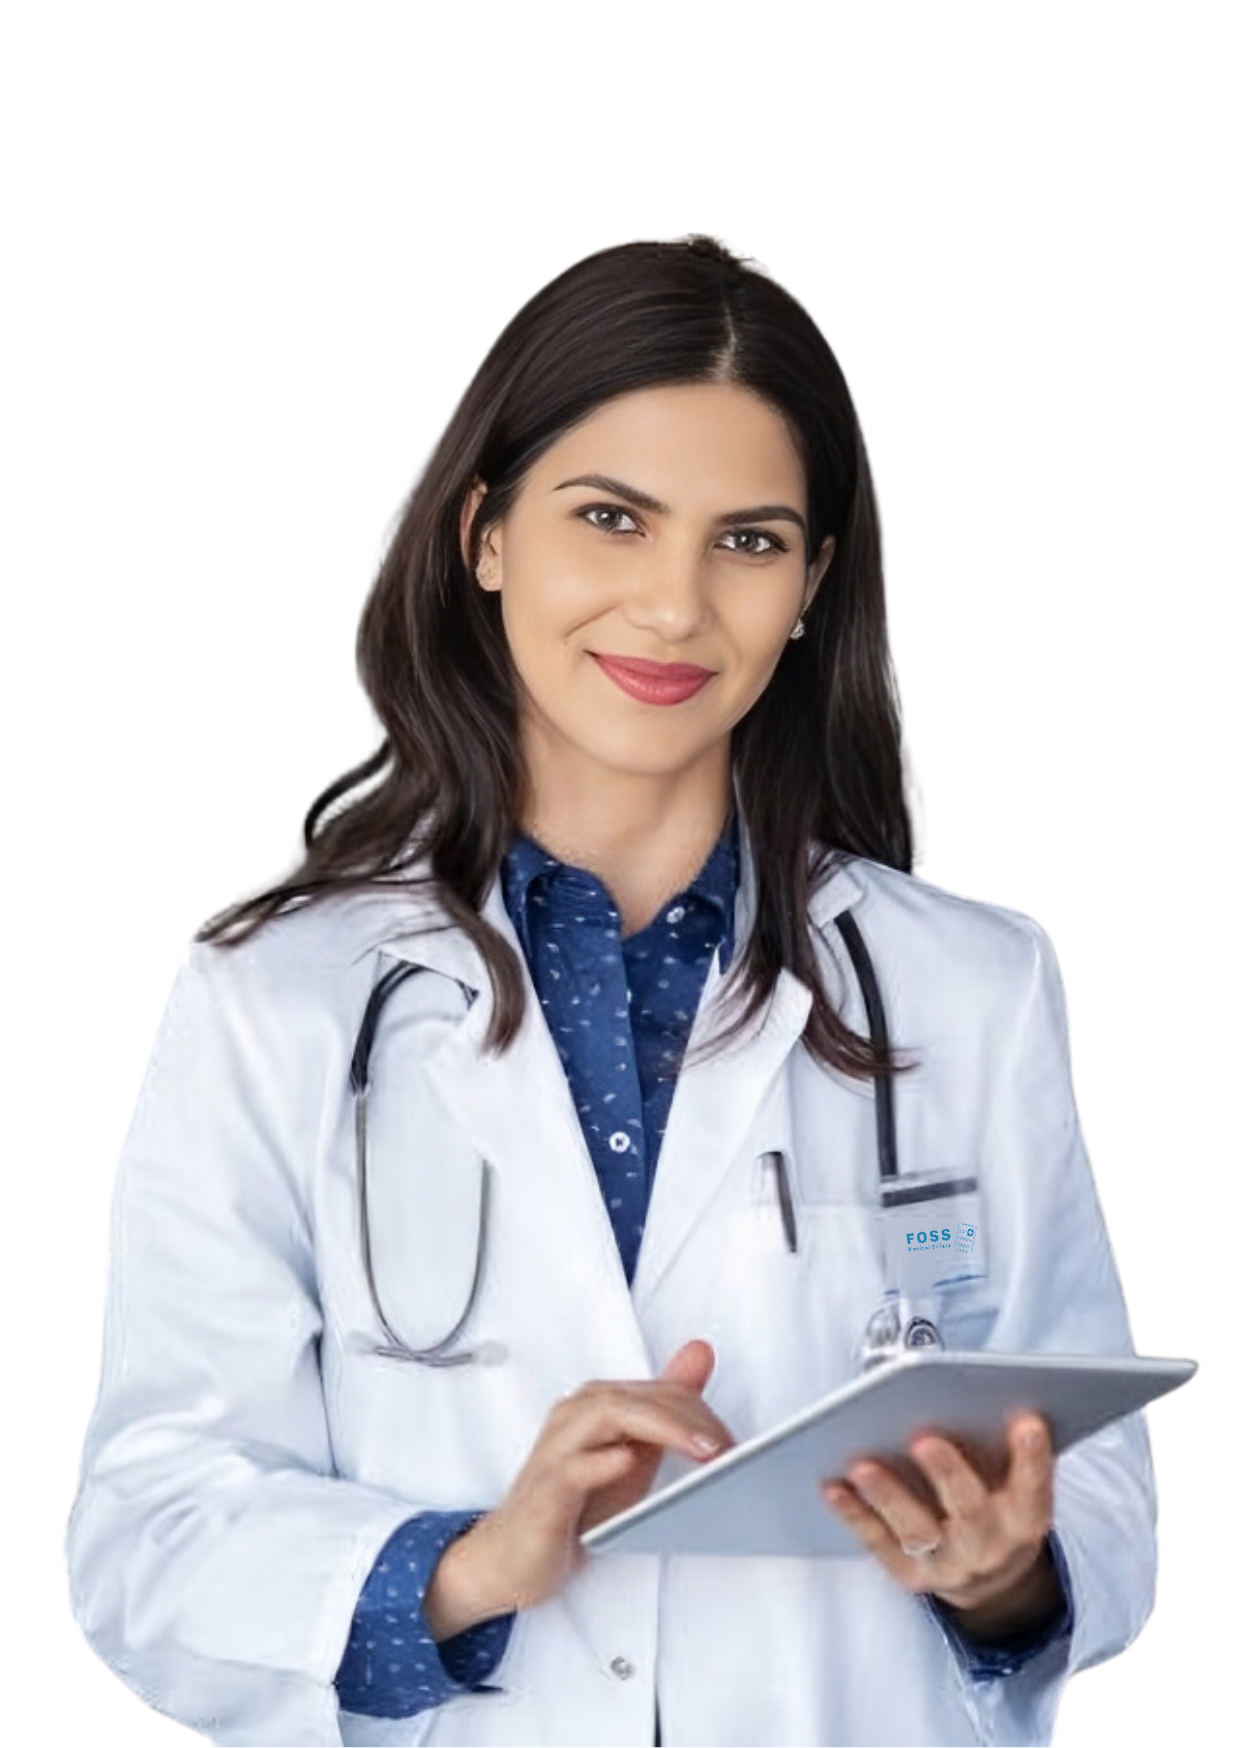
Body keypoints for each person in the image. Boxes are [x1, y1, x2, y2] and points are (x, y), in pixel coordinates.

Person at [61, 233, 1160, 1748]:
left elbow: (1097, 1485)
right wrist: (466, 1569)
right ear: (485, 536)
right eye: (611, 518)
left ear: (810, 587)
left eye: (749, 541)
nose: (673, 605)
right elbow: (148, 1530)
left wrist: (1005, 1575)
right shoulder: (272, 998)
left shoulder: (972, 984)